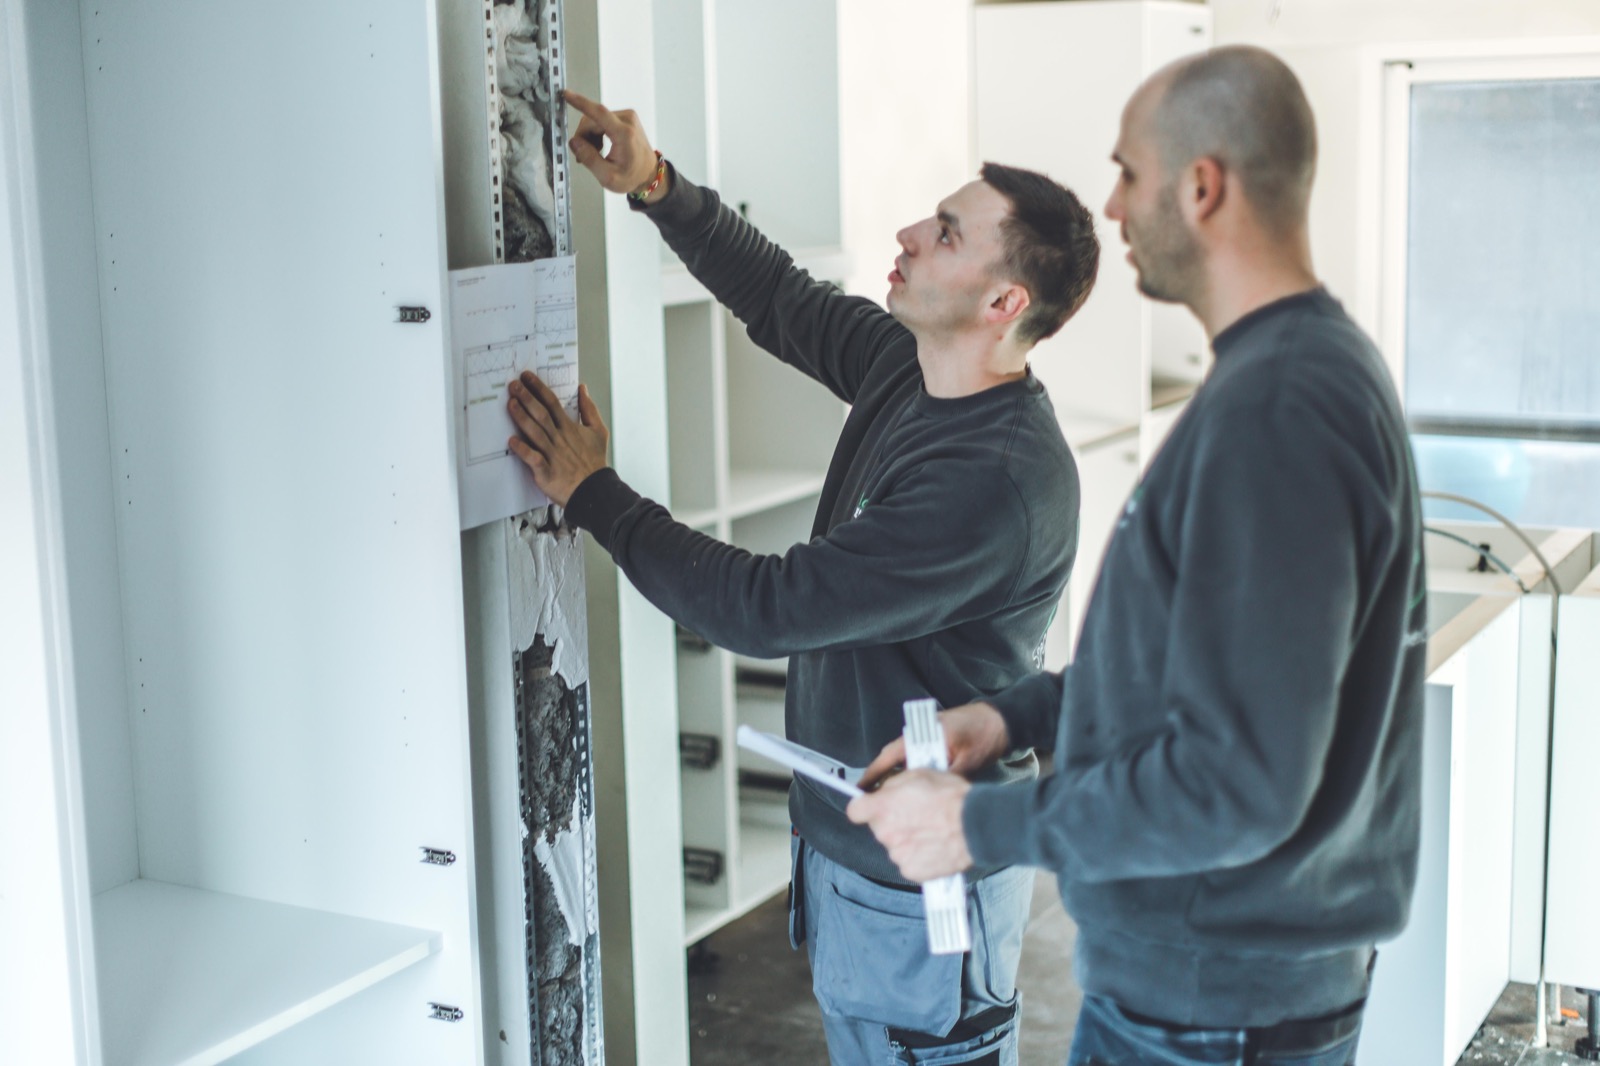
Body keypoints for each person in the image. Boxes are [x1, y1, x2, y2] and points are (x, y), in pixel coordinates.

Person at [848, 46, 1428, 1066]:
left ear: (1201, 188)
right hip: (1205, 998)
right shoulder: (1289, 377)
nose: (1112, 210)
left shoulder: (1280, 411)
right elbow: (1191, 684)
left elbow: (1236, 781)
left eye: (1127, 174)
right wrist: (1014, 714)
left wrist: (981, 830)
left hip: (1212, 1015)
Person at [504, 89, 1098, 1063]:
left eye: (944, 233)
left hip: (917, 886)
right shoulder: (917, 369)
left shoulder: (993, 483)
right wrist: (656, 186)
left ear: (1003, 304)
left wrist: (591, 491)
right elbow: (783, 301)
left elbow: (761, 606)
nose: (908, 231)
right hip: (854, 851)